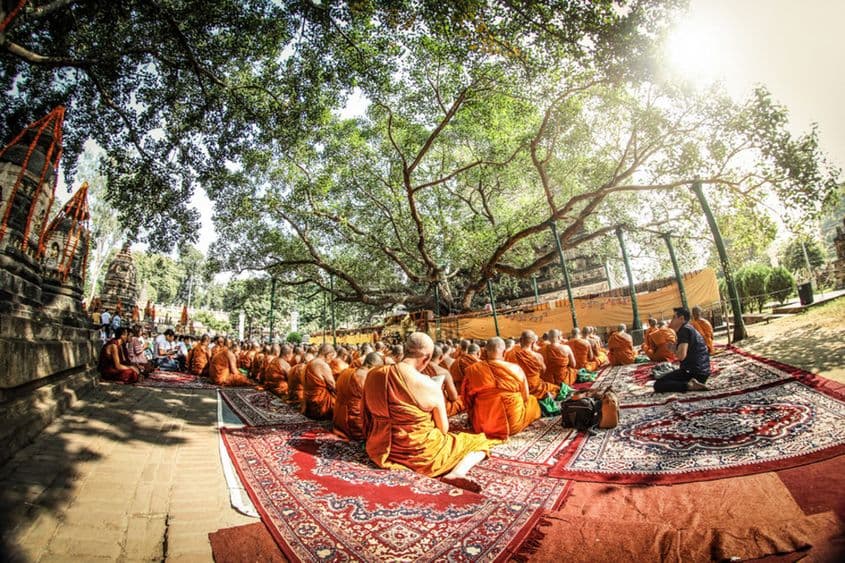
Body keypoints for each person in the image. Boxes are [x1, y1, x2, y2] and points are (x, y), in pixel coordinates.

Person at [362, 332, 498, 493]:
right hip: (421, 456)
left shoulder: (374, 375)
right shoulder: (429, 385)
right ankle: (457, 473)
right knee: (479, 441)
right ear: (426, 358)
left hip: (381, 447)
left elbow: (367, 412)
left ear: (405, 350)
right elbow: (443, 429)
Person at [462, 338, 541, 440]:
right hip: (513, 425)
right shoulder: (516, 369)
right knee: (532, 400)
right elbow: (525, 396)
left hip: (484, 425)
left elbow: (467, 399)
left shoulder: (474, 369)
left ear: (484, 352)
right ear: (504, 352)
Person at [654, 307, 711, 393]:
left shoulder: (684, 330)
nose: (671, 320)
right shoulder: (687, 328)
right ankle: (690, 384)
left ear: (681, 319)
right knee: (668, 378)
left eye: (674, 317)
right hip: (701, 372)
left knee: (658, 384)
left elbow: (681, 356)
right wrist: (673, 349)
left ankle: (689, 385)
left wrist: (673, 350)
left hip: (694, 373)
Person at [333, 352, 383, 440]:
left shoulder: (345, 371)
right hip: (355, 423)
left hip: (338, 418)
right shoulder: (366, 377)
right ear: (374, 366)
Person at [503, 330, 559, 399]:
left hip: (518, 386)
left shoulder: (510, 354)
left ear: (520, 340)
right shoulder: (538, 356)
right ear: (533, 342)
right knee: (556, 389)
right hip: (535, 386)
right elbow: (543, 371)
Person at [421, 345, 465, 416]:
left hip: (421, 404)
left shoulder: (418, 369)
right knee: (462, 400)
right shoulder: (443, 372)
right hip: (439, 407)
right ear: (441, 357)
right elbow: (453, 397)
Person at [301, 344, 337, 420]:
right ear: (328, 355)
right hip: (320, 403)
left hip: (308, 401)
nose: (331, 360)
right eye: (331, 357)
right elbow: (333, 386)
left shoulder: (310, 362)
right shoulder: (322, 365)